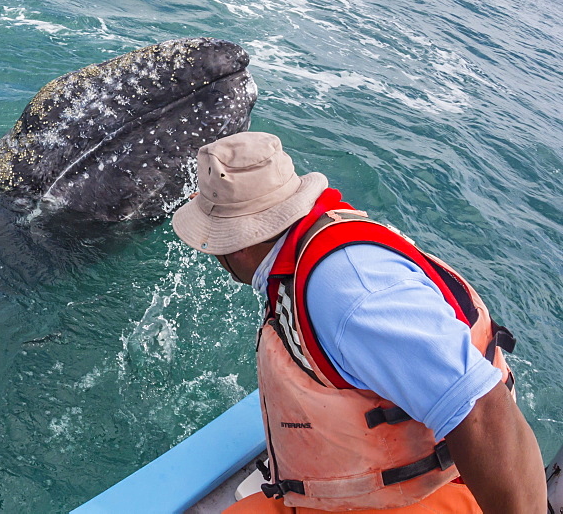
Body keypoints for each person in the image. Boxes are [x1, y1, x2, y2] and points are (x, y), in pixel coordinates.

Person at [171, 132, 545, 513]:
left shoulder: (348, 290)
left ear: (239, 243)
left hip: (425, 498)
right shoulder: (306, 254)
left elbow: (481, 408)